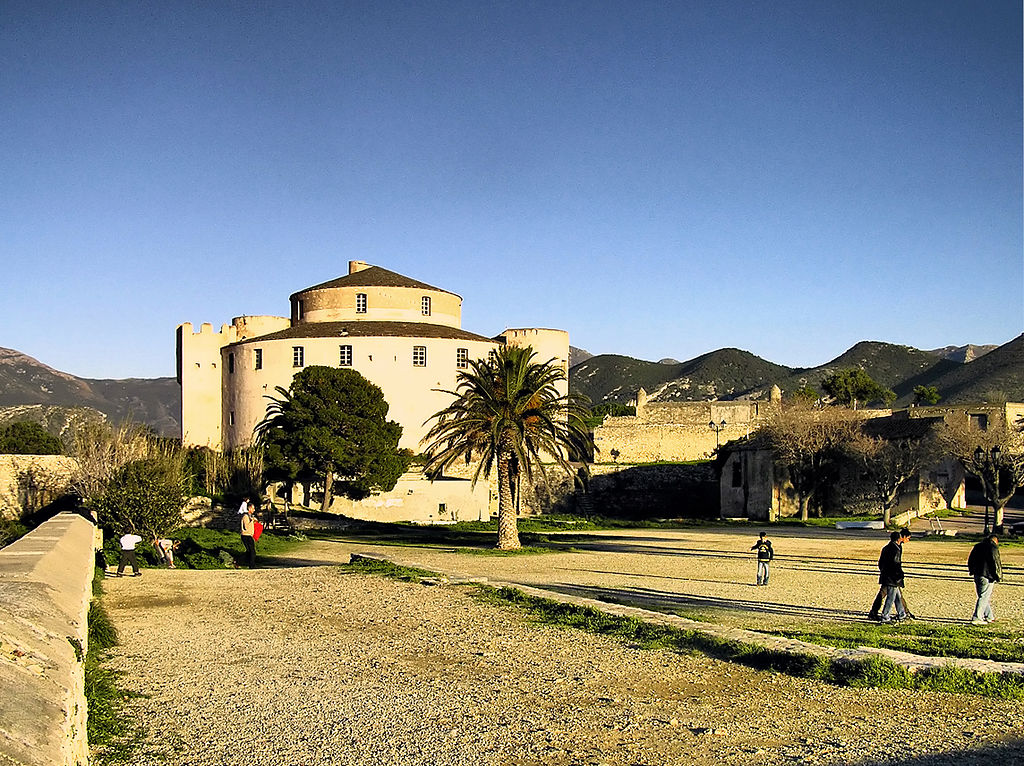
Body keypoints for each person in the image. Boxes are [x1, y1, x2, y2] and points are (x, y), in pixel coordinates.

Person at [868, 527, 915, 621]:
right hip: (892, 577)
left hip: (887, 575)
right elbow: (895, 564)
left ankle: (902, 613)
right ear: (902, 537)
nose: (908, 540)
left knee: (895, 595)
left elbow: (881, 563)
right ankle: (886, 615)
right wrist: (898, 575)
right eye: (908, 538)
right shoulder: (895, 549)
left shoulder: (890, 547)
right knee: (891, 596)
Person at [968, 534, 1001, 625]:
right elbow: (995, 562)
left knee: (982, 596)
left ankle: (989, 616)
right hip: (988, 576)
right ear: (995, 541)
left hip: (977, 574)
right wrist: (998, 576)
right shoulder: (993, 548)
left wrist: (972, 571)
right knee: (984, 596)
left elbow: (970, 560)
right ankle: (977, 617)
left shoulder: (977, 546)